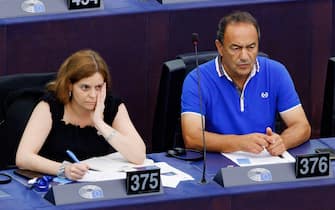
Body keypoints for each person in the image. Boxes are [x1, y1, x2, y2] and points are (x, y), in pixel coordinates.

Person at [181, 11, 311, 156]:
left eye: (251, 47)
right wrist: (239, 143)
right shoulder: (197, 79)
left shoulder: (276, 72)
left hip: (265, 160)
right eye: (236, 48)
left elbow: (302, 126)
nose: (244, 56)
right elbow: (192, 137)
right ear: (220, 47)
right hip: (216, 165)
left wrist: (283, 141)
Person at [16, 49, 146, 180]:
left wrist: (100, 124)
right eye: (85, 87)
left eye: (99, 87)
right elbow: (23, 158)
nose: (93, 95)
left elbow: (139, 156)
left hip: (95, 185)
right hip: (52, 184)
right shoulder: (50, 106)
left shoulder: (111, 105)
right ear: (69, 85)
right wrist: (64, 169)